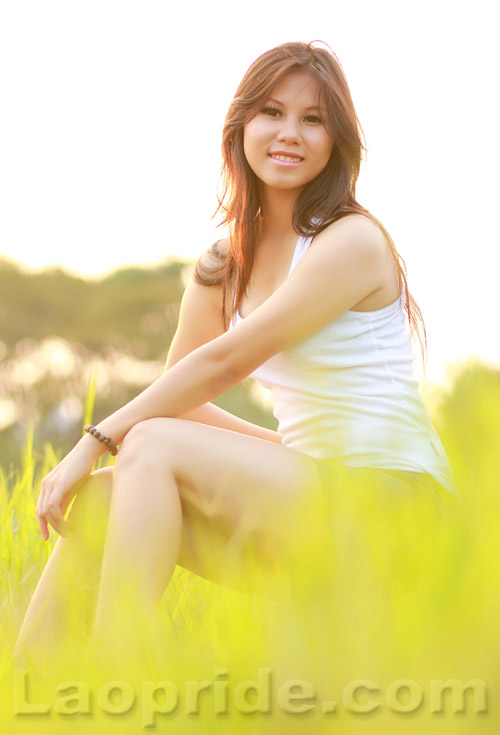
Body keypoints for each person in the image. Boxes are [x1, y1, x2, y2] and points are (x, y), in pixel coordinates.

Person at [14, 40, 459, 662]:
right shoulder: (224, 266)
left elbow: (222, 365)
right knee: (104, 499)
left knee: (147, 442)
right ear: (241, 124)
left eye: (313, 119)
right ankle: (28, 689)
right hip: (308, 508)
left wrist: (94, 439)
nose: (289, 133)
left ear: (338, 140)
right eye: (272, 112)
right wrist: (280, 450)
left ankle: (118, 682)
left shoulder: (352, 241)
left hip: (399, 513)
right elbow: (182, 398)